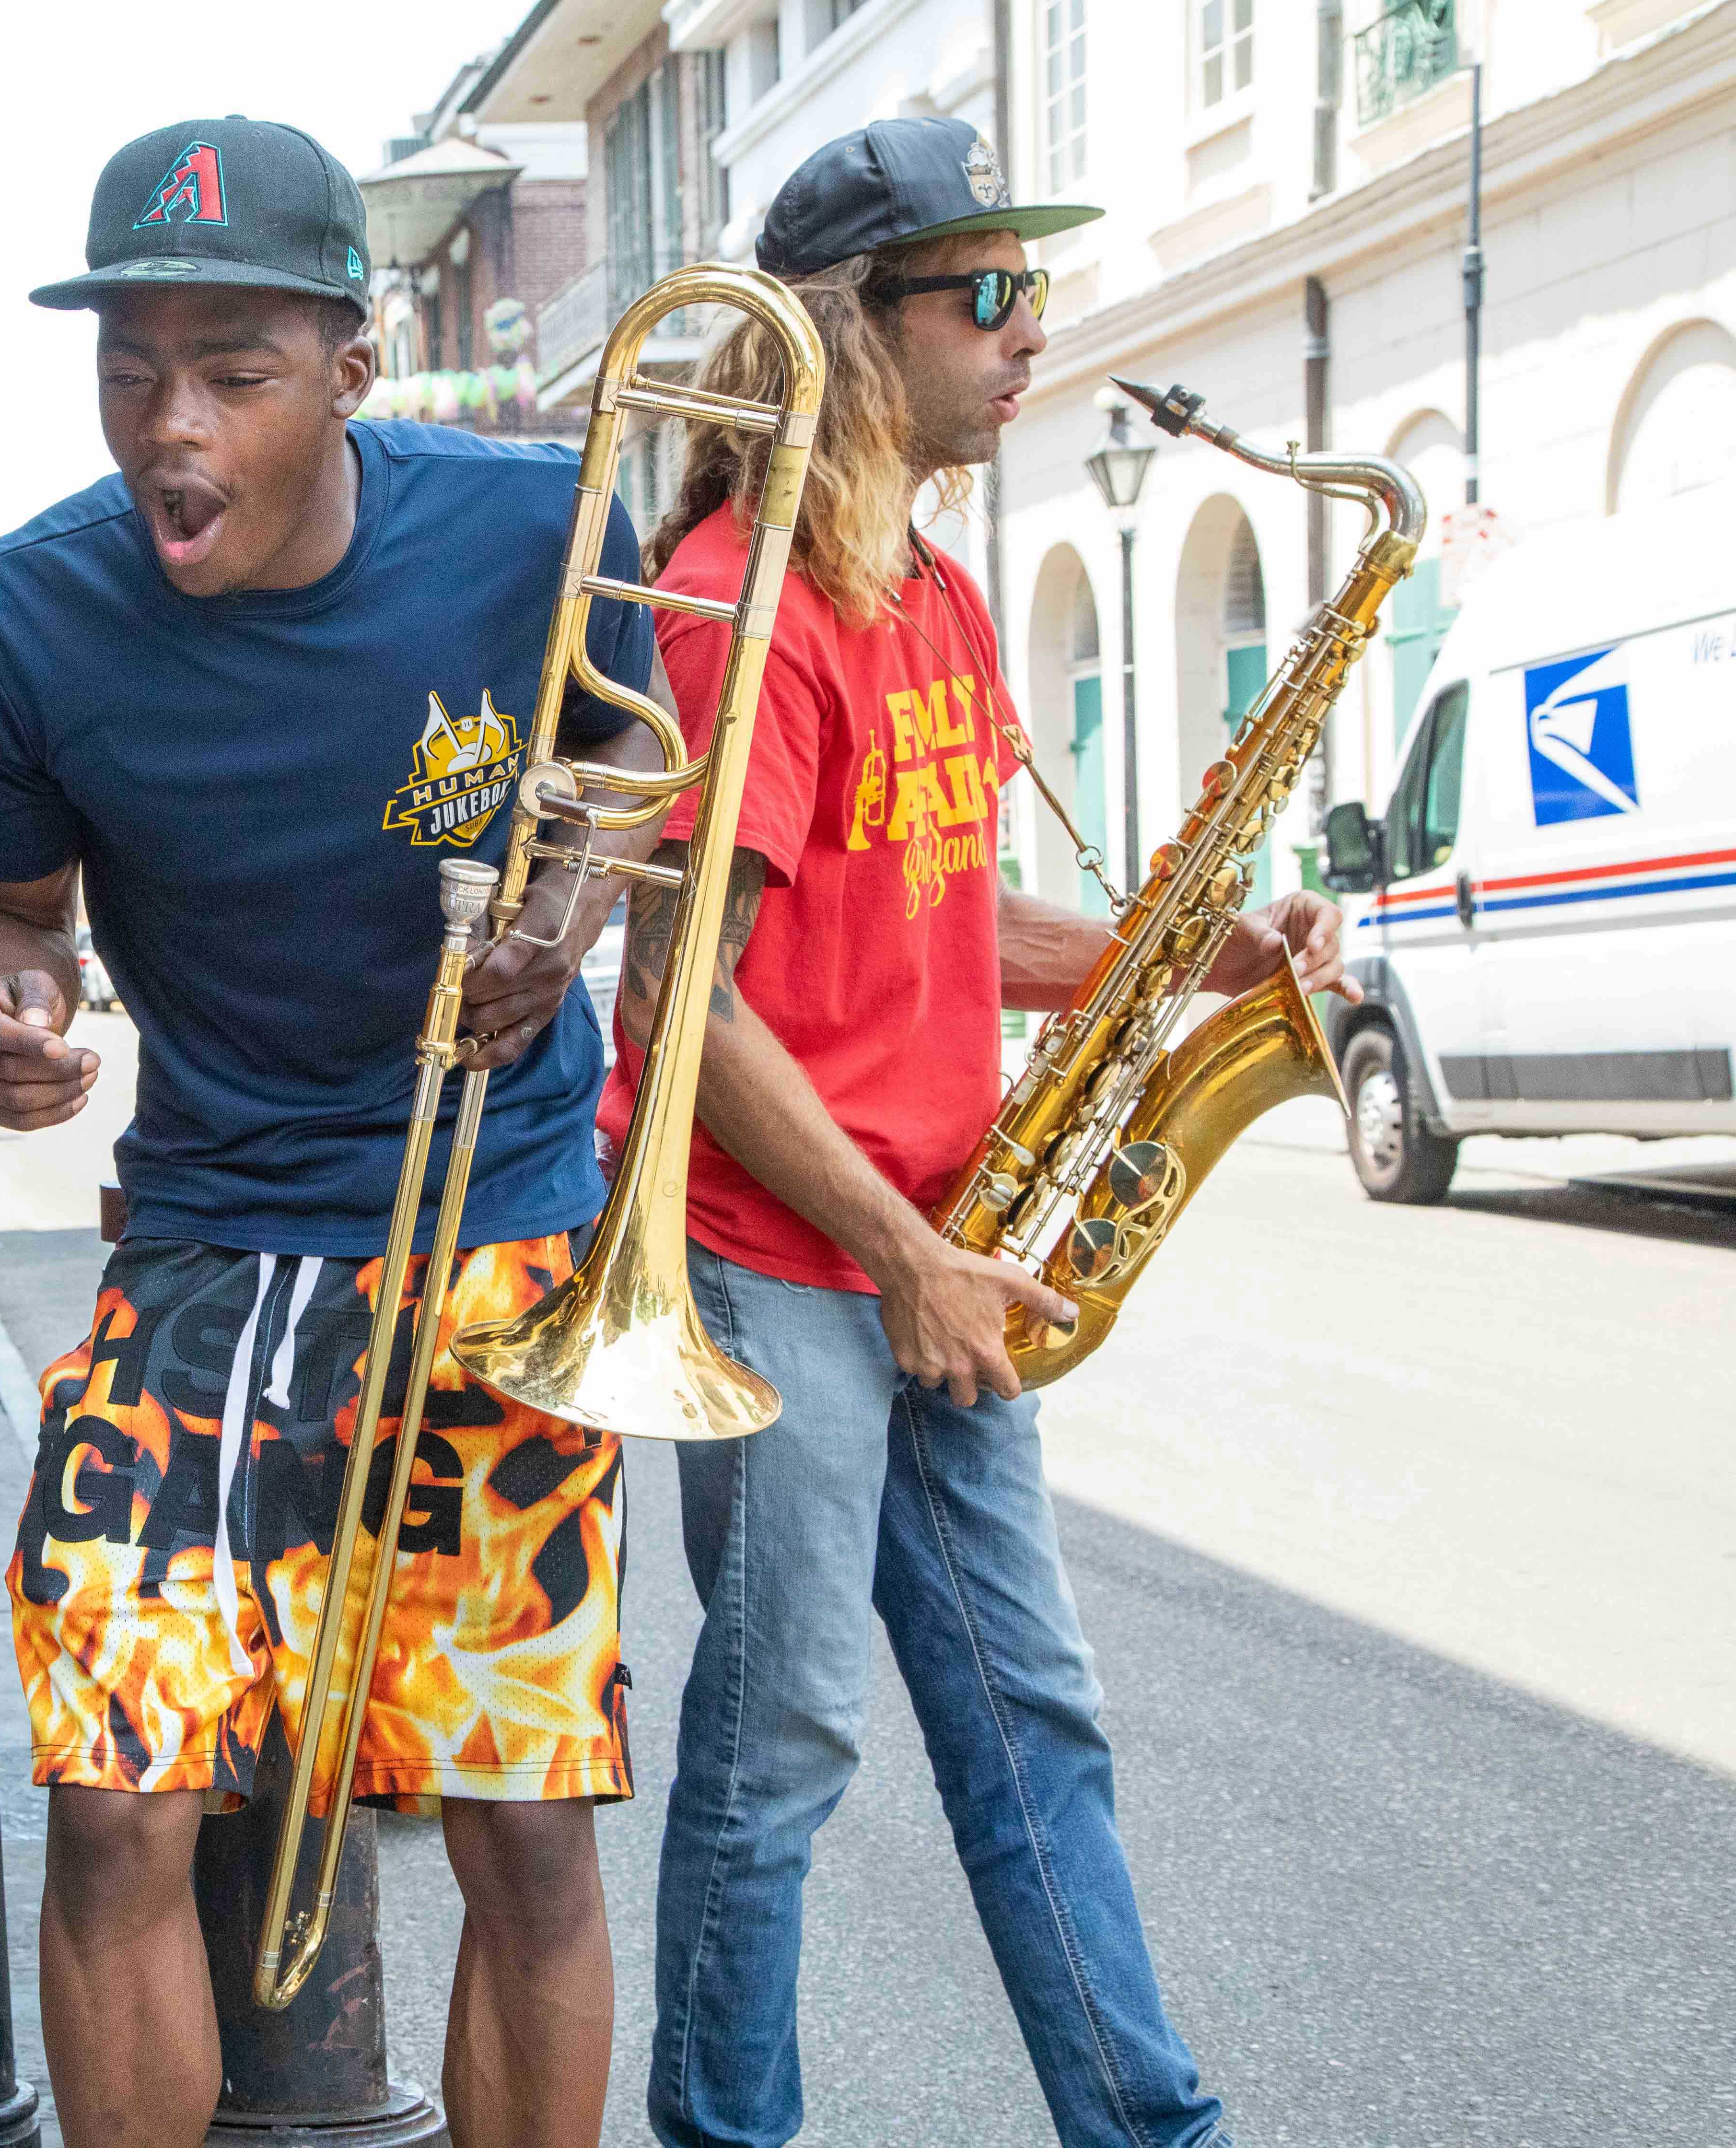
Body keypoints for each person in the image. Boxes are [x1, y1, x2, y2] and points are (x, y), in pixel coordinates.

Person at [603, 118, 1356, 2148]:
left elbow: (940, 910)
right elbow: (681, 995)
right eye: (986, 294)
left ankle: (1147, 2124)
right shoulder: (726, 601)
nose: (1031, 332)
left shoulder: (925, 587)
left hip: (933, 1245)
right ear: (859, 328)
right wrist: (905, 1251)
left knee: (1031, 1722)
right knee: (776, 1751)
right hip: (776, 1259)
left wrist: (1177, 953)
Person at [0, 118, 667, 2148]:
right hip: (209, 1247)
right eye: (126, 367)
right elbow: (5, 902)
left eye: (231, 369)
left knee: (521, 1834)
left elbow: (627, 753)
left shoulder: (533, 529)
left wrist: (559, 910)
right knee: (112, 1803)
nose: (167, 424)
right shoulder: (14, 617)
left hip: (496, 1227)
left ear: (350, 364)